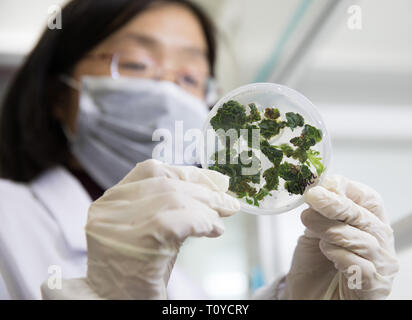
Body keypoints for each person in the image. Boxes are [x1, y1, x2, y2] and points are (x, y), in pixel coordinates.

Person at [0, 0, 398, 300]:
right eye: (137, 64)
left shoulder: (183, 281)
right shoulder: (8, 220)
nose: (168, 91)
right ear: (57, 94)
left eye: (190, 76)